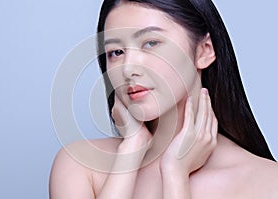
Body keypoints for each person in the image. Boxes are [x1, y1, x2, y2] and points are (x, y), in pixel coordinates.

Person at [49, 0, 278, 198]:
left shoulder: (267, 182)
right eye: (116, 52)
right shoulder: (80, 166)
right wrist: (130, 152)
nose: (128, 68)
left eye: (151, 43)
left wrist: (175, 175)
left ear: (204, 50)